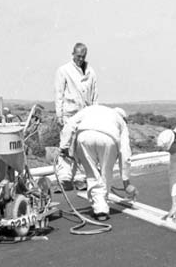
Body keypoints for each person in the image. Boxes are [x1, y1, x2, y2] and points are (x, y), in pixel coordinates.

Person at [59, 105, 133, 221]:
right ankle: (101, 209)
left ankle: (65, 175)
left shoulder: (92, 109)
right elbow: (125, 153)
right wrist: (126, 182)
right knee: (105, 174)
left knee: (92, 174)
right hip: (109, 139)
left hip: (84, 136)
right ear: (124, 118)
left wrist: (64, 145)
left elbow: (70, 124)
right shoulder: (121, 122)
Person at [54, 43, 98, 188]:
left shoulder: (91, 72)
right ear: (72, 54)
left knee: (84, 145)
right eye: (78, 56)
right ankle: (65, 178)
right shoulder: (64, 70)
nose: (80, 59)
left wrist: (95, 113)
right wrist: (59, 115)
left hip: (86, 115)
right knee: (66, 145)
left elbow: (95, 95)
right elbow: (59, 93)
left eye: (83, 56)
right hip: (70, 114)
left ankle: (82, 178)